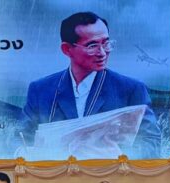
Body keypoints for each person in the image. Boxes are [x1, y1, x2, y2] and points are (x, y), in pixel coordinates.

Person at [17, 11, 162, 158]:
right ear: (67, 49)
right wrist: (25, 154)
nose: (102, 53)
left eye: (106, 43)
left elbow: (152, 143)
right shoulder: (41, 89)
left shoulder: (131, 89)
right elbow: (18, 138)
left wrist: (121, 156)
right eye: (92, 45)